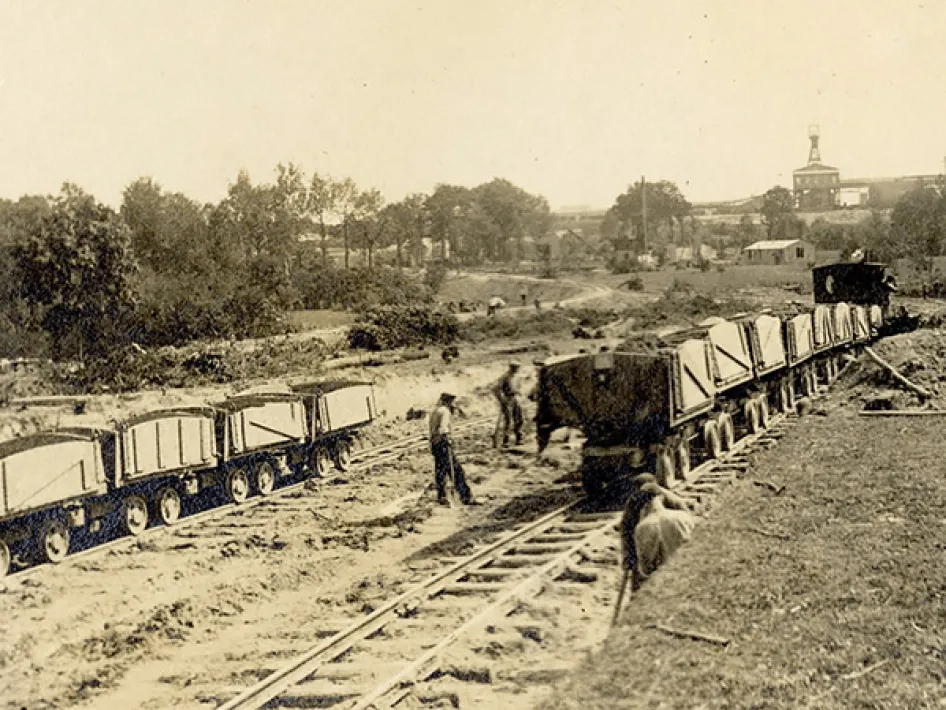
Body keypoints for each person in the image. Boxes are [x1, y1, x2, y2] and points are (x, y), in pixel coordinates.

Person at [631, 481, 695, 586]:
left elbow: (645, 568)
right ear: (661, 498)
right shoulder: (682, 517)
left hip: (663, 584)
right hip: (686, 575)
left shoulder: (641, 528)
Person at [428, 392, 475, 506]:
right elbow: (443, 429)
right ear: (449, 401)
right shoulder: (445, 411)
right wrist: (447, 439)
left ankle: (442, 496)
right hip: (443, 444)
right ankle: (465, 497)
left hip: (435, 444)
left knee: (440, 471)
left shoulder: (435, 411)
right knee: (457, 471)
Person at [493, 361, 523, 447]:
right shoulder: (504, 377)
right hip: (507, 399)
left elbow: (517, 387)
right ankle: (506, 441)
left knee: (519, 418)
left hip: (515, 398)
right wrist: (502, 399)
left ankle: (519, 438)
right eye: (515, 367)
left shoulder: (516, 377)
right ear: (511, 367)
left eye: (517, 367)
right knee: (508, 420)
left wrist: (519, 393)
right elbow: (496, 389)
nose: (517, 369)